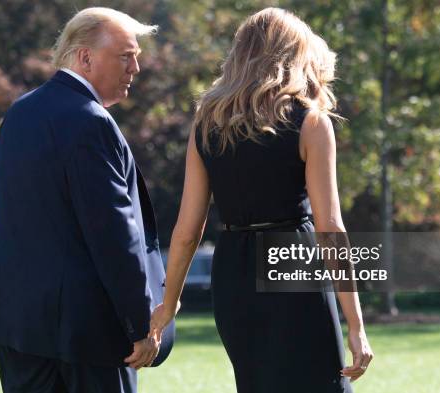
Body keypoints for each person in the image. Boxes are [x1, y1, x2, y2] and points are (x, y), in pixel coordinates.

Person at [0, 7, 174, 393]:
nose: (136, 68)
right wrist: (139, 324)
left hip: (20, 327)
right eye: (126, 56)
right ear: (85, 57)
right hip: (86, 333)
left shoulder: (19, 112)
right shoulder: (90, 120)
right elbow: (113, 235)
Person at [150, 8, 373, 393]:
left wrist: (169, 305)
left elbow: (187, 231)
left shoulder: (207, 122)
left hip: (233, 272)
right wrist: (356, 325)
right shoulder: (311, 122)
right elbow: (330, 227)